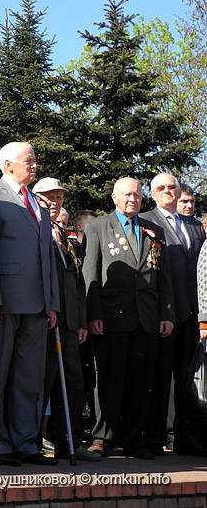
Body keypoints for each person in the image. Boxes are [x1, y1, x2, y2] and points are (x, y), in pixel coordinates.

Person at [0, 142, 59, 467]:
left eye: (35, 159)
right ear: (8, 164)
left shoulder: (38, 204)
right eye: (29, 160)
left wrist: (51, 302)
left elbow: (47, 259)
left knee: (29, 378)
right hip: (5, 302)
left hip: (38, 305)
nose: (34, 164)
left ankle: (27, 442)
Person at [83, 177, 174, 460]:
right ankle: (102, 438)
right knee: (109, 380)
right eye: (127, 195)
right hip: (112, 317)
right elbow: (91, 274)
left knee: (141, 382)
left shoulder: (153, 230)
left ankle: (135, 440)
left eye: (136, 195)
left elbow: (164, 276)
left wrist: (166, 314)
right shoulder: (98, 227)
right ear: (114, 198)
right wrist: (93, 314)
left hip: (146, 318)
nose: (133, 199)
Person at [32, 177, 99, 462]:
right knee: (41, 384)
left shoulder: (62, 235)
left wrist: (81, 321)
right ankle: (32, 442)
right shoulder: (35, 230)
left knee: (71, 384)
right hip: (44, 321)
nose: (54, 202)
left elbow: (78, 282)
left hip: (69, 324)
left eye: (58, 197)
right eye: (49, 196)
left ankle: (69, 442)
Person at [140, 174, 205, 456]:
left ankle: (186, 438)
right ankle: (155, 437)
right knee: (159, 377)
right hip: (163, 313)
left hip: (193, 313)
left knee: (189, 378)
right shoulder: (145, 222)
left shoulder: (194, 225)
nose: (168, 191)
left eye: (172, 187)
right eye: (161, 188)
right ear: (152, 194)